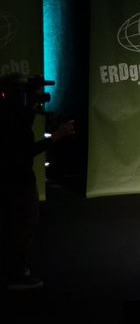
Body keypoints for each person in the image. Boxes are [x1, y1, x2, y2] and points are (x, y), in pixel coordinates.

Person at [0, 73, 74, 291]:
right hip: (18, 181)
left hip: (11, 180)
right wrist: (56, 137)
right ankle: (16, 273)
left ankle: (12, 270)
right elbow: (25, 151)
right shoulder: (13, 121)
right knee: (23, 225)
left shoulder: (9, 115)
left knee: (13, 225)